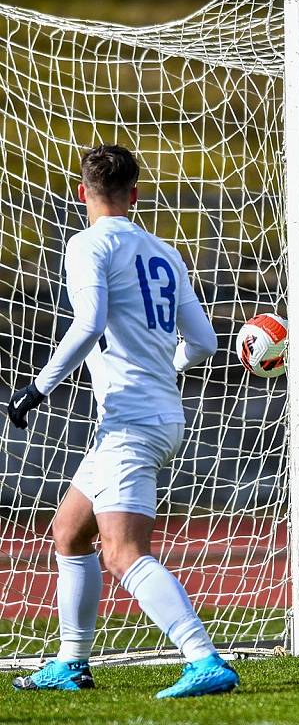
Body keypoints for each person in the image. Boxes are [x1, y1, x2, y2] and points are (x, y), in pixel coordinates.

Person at [7, 144, 240, 696]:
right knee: (69, 532)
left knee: (123, 552)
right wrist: (164, 367)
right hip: (153, 414)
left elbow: (87, 323)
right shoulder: (163, 250)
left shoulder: (87, 244)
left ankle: (204, 658)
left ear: (81, 192)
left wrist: (37, 388)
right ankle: (70, 662)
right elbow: (203, 341)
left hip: (131, 421)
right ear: (134, 195)